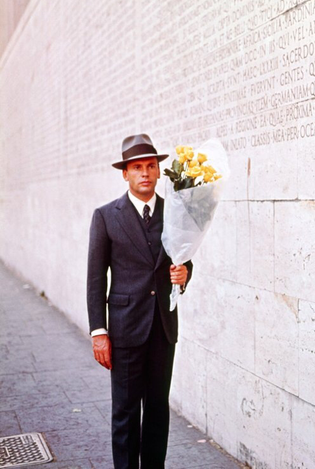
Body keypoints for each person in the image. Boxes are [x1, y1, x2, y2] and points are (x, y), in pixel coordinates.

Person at [87, 134, 192, 469]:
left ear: (159, 172)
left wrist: (185, 273)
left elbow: (183, 259)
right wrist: (98, 331)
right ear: (125, 174)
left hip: (162, 327)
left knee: (158, 410)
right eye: (137, 168)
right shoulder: (106, 216)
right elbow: (94, 278)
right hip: (125, 329)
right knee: (126, 414)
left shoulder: (174, 213)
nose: (145, 173)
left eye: (150, 166)